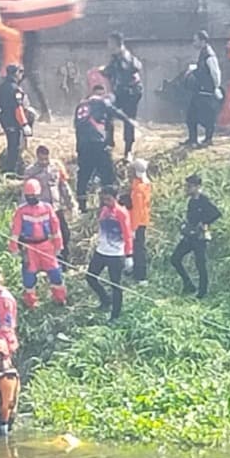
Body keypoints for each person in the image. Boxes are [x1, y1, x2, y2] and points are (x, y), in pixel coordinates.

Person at [9, 178, 66, 309]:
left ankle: (60, 299)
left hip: (46, 246)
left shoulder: (47, 208)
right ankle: (31, 303)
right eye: (28, 196)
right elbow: (15, 231)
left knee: (55, 273)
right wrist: (14, 249)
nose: (31, 198)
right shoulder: (21, 211)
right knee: (29, 277)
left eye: (33, 195)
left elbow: (56, 228)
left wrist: (58, 245)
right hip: (29, 248)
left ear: (39, 194)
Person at [74, 84, 131, 213]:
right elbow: (117, 114)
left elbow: (77, 127)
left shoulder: (81, 105)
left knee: (83, 175)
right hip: (98, 145)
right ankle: (108, 205)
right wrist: (130, 121)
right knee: (107, 175)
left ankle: (82, 206)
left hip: (83, 146)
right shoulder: (102, 103)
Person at [84, 186, 132, 321]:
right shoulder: (104, 210)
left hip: (116, 254)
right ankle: (105, 299)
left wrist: (129, 255)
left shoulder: (122, 213)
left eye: (109, 199)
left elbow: (128, 235)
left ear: (115, 198)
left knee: (115, 285)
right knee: (90, 277)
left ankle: (115, 315)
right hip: (101, 251)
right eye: (104, 199)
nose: (106, 202)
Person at [170, 174, 221, 299]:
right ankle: (188, 284)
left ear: (197, 187)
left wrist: (204, 223)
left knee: (200, 264)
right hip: (189, 236)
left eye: (189, 186)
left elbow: (216, 213)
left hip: (199, 238)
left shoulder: (204, 200)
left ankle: (202, 292)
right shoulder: (192, 201)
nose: (187, 189)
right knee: (175, 258)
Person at [24, 145, 73, 264]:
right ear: (37, 157)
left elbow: (63, 185)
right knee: (45, 237)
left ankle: (64, 259)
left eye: (46, 159)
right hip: (41, 211)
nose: (44, 162)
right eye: (41, 159)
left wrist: (70, 202)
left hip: (56, 208)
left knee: (64, 234)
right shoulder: (31, 171)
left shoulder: (56, 167)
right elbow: (26, 191)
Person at [100, 32, 144, 162]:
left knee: (128, 120)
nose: (107, 45)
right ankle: (109, 142)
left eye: (109, 42)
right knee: (107, 113)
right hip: (121, 92)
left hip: (131, 92)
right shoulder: (115, 57)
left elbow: (128, 71)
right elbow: (110, 71)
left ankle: (128, 151)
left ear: (116, 43)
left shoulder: (125, 57)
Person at [186, 30, 222, 147]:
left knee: (207, 117)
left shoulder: (209, 55)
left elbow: (215, 73)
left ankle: (208, 139)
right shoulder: (203, 52)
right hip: (199, 90)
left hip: (206, 91)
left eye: (195, 40)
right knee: (191, 116)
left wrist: (216, 87)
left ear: (203, 41)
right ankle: (192, 139)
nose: (193, 43)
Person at [0, 64, 32, 174]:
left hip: (4, 118)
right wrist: (24, 124)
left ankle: (9, 168)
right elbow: (18, 108)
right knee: (14, 146)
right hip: (13, 119)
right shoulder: (15, 89)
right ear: (16, 73)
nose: (21, 75)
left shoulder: (2, 86)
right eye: (20, 72)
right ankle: (10, 171)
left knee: (11, 144)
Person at [127, 158, 151, 284]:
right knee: (138, 248)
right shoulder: (145, 183)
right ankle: (136, 272)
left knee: (138, 249)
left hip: (137, 223)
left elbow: (137, 210)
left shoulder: (138, 189)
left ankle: (140, 276)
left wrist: (133, 228)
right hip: (142, 220)